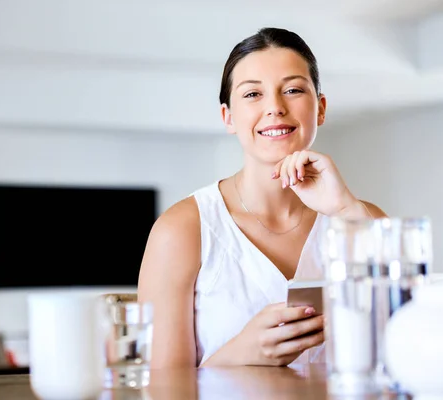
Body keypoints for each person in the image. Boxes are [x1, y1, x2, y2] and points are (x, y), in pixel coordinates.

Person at [137, 27, 387, 369]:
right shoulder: (181, 230)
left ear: (321, 108)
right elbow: (161, 389)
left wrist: (345, 209)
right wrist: (240, 355)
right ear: (228, 116)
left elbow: (412, 345)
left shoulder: (365, 220)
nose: (275, 108)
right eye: (253, 94)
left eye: (294, 89)